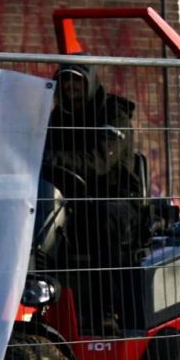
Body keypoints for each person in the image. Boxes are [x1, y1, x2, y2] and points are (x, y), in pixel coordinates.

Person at [41, 65, 151, 334]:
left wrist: (50, 159)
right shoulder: (58, 118)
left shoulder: (114, 114)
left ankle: (105, 311)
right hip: (72, 202)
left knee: (103, 216)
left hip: (117, 201)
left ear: (90, 82)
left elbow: (99, 160)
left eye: (76, 81)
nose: (70, 87)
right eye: (65, 81)